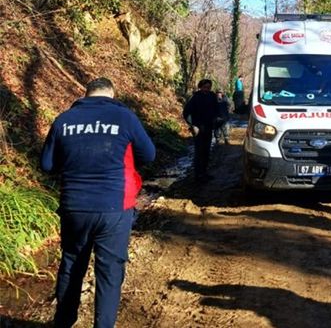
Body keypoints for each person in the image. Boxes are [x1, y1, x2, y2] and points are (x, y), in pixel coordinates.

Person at [40, 77, 155, 328]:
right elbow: (149, 154)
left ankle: (63, 322)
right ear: (111, 95)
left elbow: (46, 165)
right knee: (109, 272)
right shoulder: (125, 118)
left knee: (71, 264)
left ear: (86, 94)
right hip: (114, 206)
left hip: (74, 205)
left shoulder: (63, 120)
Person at [183, 79, 216, 181]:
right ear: (200, 87)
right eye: (205, 87)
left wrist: (217, 120)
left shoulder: (212, 96)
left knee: (206, 151)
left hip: (209, 127)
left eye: (208, 87)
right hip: (198, 128)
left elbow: (217, 110)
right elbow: (186, 112)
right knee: (199, 151)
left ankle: (204, 172)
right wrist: (192, 125)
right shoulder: (195, 97)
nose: (207, 89)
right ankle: (198, 174)